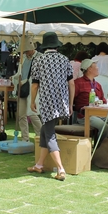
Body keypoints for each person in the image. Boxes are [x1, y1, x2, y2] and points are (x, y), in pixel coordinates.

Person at [28, 32, 75, 181]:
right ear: (56, 45)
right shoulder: (65, 59)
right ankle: (39, 165)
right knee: (44, 131)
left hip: (47, 103)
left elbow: (35, 85)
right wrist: (70, 103)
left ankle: (61, 169)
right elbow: (71, 84)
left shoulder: (39, 60)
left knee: (49, 135)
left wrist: (32, 101)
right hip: (62, 103)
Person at [73, 59, 108, 141]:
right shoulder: (77, 83)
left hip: (100, 114)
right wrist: (79, 109)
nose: (98, 68)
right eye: (96, 66)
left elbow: (104, 101)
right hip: (86, 116)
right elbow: (71, 101)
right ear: (89, 69)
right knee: (104, 127)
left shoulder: (97, 85)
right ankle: (96, 150)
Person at [16, 40, 42, 142]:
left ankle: (40, 136)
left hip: (34, 87)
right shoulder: (23, 59)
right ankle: (25, 138)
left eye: (27, 51)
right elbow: (20, 73)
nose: (26, 53)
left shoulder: (40, 57)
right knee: (21, 114)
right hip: (23, 87)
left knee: (32, 113)